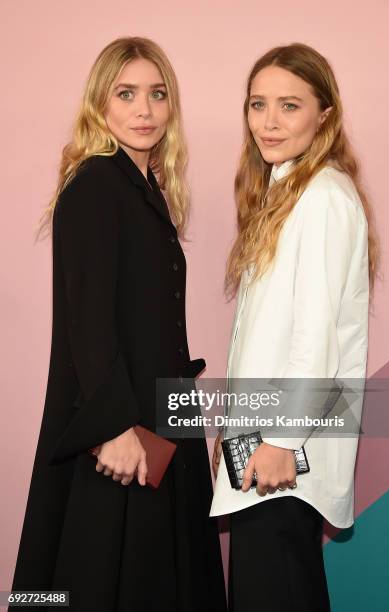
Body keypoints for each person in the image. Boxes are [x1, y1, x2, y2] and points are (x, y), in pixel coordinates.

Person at [9, 36, 227, 612]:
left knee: (146, 575)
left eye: (157, 95)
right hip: (122, 424)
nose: (144, 110)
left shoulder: (143, 188)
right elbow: (89, 321)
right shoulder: (95, 184)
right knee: (99, 573)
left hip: (159, 413)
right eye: (126, 93)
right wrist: (115, 427)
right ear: (99, 104)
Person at [210, 42, 379, 611]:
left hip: (286, 448)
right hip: (266, 442)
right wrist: (237, 435)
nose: (269, 121)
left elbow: (316, 338)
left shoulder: (324, 196)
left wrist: (281, 439)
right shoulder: (288, 190)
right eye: (258, 105)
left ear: (323, 114)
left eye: (289, 105)